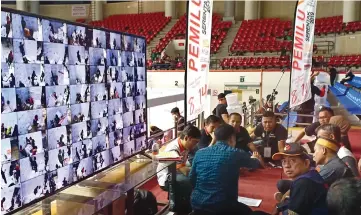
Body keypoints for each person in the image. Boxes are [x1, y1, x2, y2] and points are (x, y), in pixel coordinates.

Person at [190, 124, 263, 215]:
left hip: (197, 204)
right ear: (232, 138)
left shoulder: (199, 153)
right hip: (223, 206)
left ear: (215, 138)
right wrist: (255, 157)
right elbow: (255, 164)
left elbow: (192, 179)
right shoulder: (235, 153)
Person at [261, 143, 328, 215]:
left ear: (306, 163)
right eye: (284, 161)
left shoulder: (304, 183)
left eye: (292, 160)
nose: (287, 165)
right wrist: (279, 207)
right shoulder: (310, 174)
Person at [157, 125, 201, 214]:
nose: (195, 145)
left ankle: (186, 206)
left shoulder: (185, 145)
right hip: (166, 178)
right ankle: (180, 209)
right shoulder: (173, 150)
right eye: (195, 142)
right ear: (186, 138)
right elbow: (184, 170)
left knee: (194, 178)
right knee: (190, 182)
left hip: (177, 172)